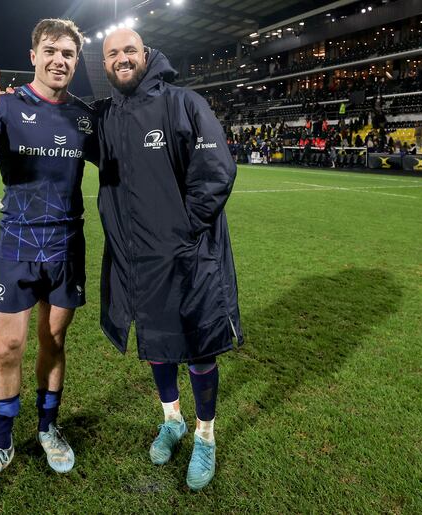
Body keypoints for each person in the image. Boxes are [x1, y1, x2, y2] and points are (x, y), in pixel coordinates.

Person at [0, 18, 97, 501]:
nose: (59, 60)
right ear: (33, 55)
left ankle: (48, 429)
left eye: (68, 53)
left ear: (75, 61)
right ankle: (0, 445)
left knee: (54, 340)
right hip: (17, 248)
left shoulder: (86, 117)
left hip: (67, 247)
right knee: (8, 348)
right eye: (51, 50)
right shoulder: (4, 106)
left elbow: (123, 165)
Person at [95, 28, 243, 492]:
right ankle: (172, 420)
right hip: (140, 261)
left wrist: (183, 235)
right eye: (112, 52)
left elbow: (217, 173)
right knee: (157, 345)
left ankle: (206, 435)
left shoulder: (183, 103)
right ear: (105, 64)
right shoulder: (106, 117)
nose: (122, 58)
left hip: (189, 257)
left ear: (146, 55)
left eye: (129, 50)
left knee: (199, 349)